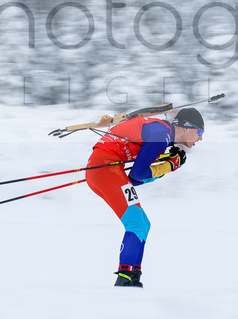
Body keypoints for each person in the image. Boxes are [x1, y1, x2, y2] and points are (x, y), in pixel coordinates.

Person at [85, 107, 205, 287]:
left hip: (105, 169)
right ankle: (124, 280)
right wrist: (168, 166)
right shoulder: (163, 133)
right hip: (105, 168)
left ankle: (133, 277)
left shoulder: (163, 134)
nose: (201, 138)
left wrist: (165, 165)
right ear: (187, 127)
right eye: (200, 131)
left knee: (143, 224)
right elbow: (139, 173)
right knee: (136, 223)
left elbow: (134, 179)